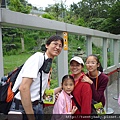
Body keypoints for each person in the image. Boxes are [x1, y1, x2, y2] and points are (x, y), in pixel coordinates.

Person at [9, 35, 64, 120]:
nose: (57, 47)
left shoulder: (48, 64)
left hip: (37, 107)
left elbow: (43, 92)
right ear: (47, 45)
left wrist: (62, 88)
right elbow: (23, 88)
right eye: (55, 44)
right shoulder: (38, 58)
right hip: (23, 108)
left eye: (60, 46)